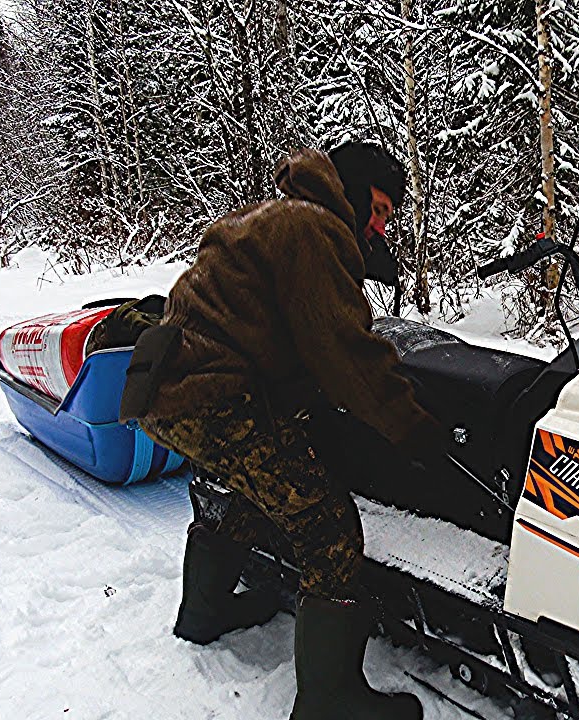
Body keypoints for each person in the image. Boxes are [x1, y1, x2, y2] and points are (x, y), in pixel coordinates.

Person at [122, 142, 446, 720]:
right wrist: (417, 431)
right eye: (376, 209)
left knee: (245, 491)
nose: (378, 227)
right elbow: (346, 354)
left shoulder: (277, 215)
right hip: (215, 396)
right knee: (331, 531)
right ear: (348, 189)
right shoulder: (314, 229)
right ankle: (329, 701)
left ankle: (204, 612)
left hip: (166, 391)